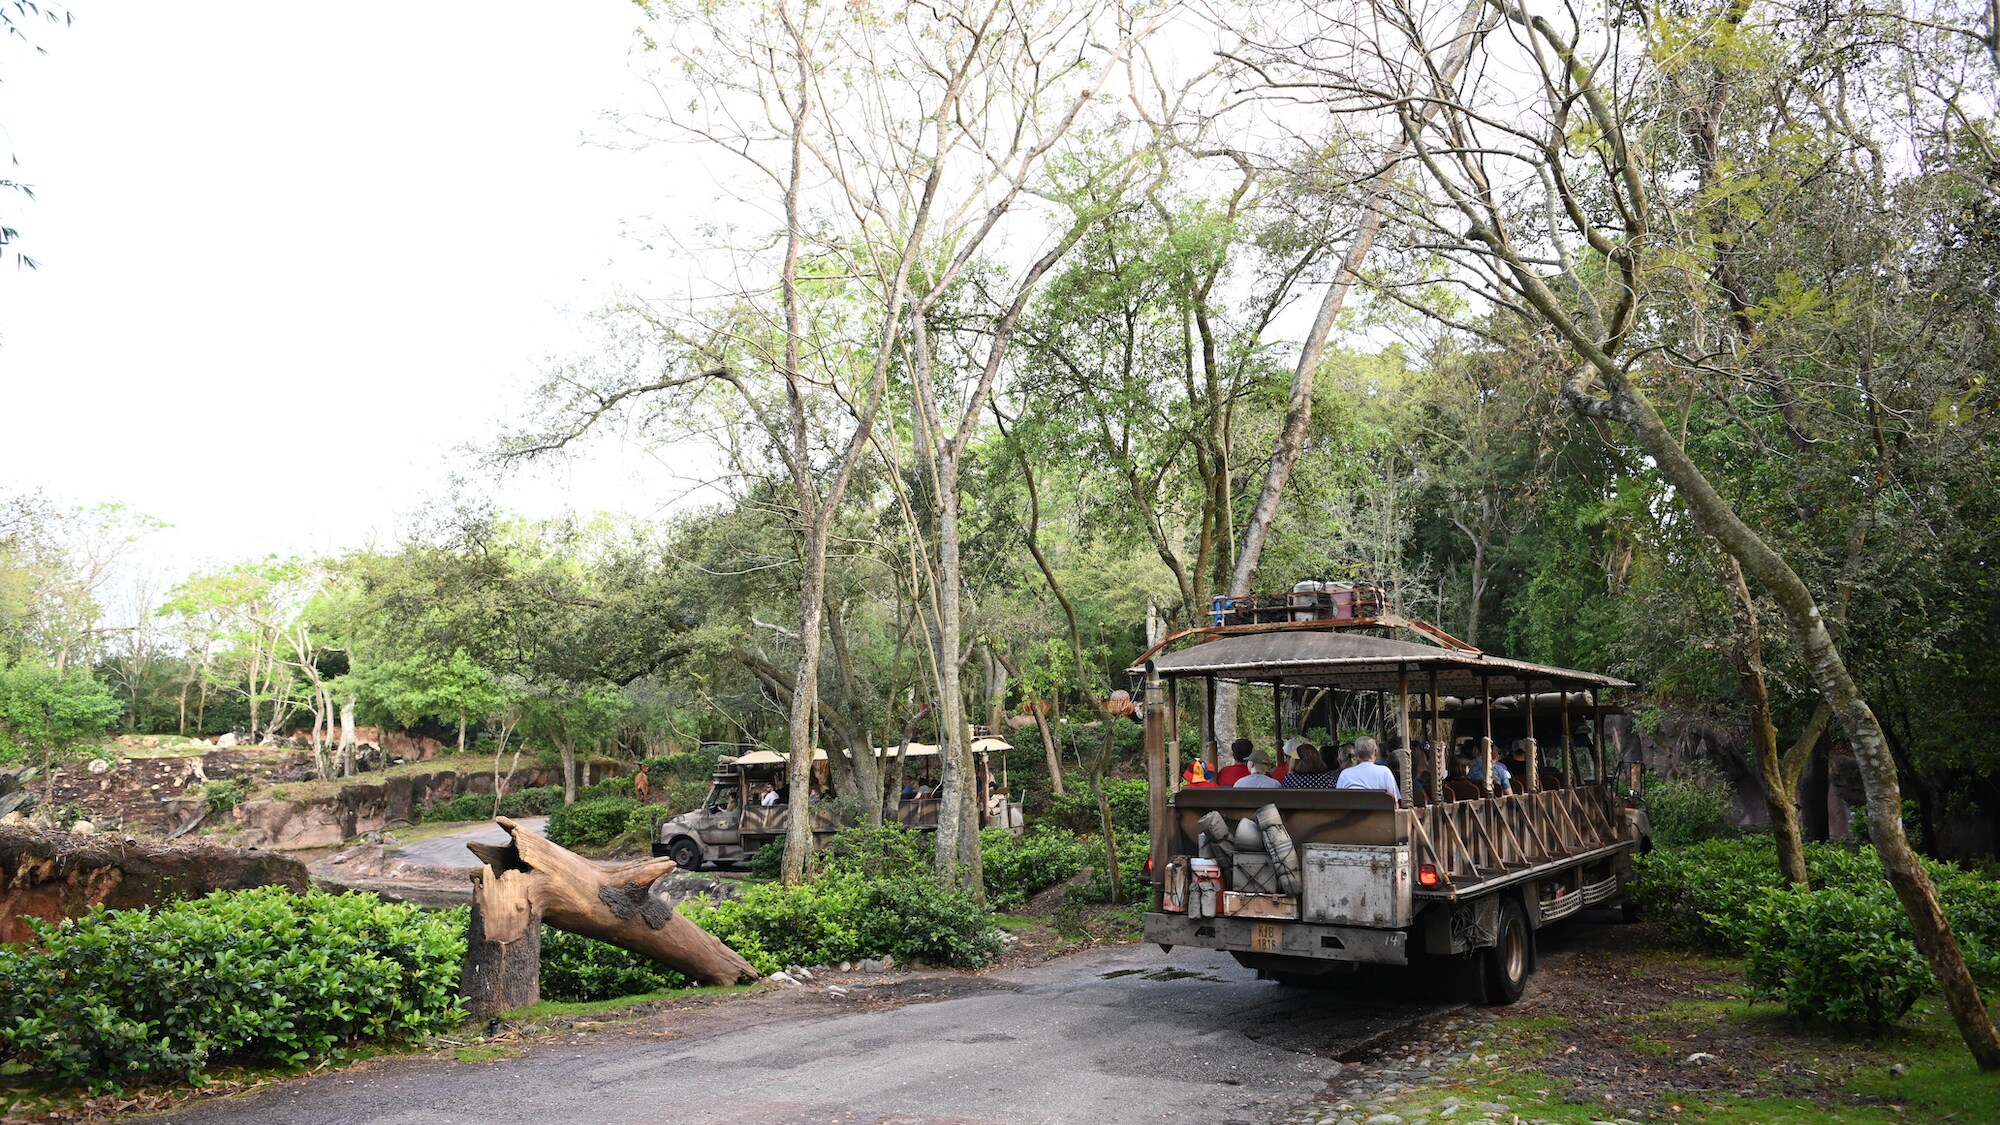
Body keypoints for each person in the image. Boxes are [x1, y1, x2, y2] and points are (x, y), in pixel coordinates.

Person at [1336, 736, 1402, 800]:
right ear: (1376, 752)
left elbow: (1338, 802)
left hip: (1352, 811)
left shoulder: (1345, 774)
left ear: (1356, 754)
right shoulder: (1385, 772)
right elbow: (1394, 802)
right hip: (1379, 811)